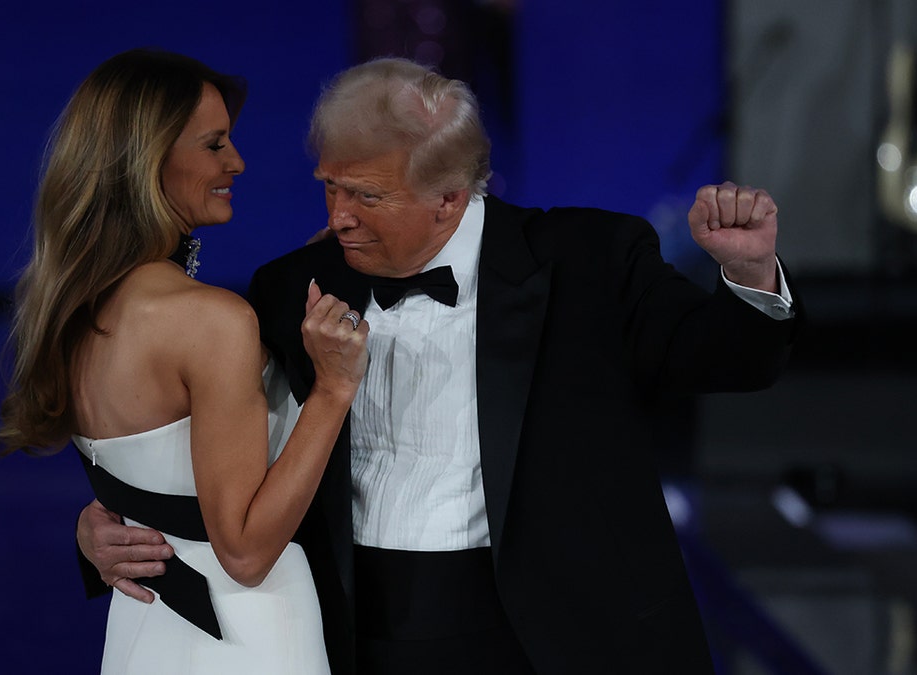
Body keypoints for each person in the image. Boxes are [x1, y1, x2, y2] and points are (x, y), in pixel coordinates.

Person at [78, 57, 801, 674]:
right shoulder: (287, 285)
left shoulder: (590, 260)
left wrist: (750, 275)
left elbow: (729, 359)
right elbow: (201, 440)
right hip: (352, 631)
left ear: (450, 195)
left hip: (552, 637)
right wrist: (103, 529)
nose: (338, 217)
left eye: (366, 196)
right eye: (329, 186)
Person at [0, 49, 370, 674]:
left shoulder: (73, 304)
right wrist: (333, 389)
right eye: (214, 144)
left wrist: (93, 529)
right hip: (246, 630)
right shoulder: (211, 320)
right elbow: (246, 555)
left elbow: (148, 477)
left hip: (146, 628)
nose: (237, 162)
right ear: (149, 161)